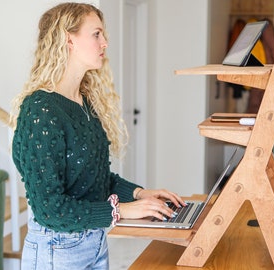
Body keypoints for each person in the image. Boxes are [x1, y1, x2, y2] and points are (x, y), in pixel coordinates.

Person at [11, 3, 185, 269]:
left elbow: (96, 180)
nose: (105, 43)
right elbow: (50, 209)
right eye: (96, 34)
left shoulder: (84, 103)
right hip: (57, 250)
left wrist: (139, 193)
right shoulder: (41, 109)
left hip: (94, 242)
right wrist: (122, 211)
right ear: (68, 39)